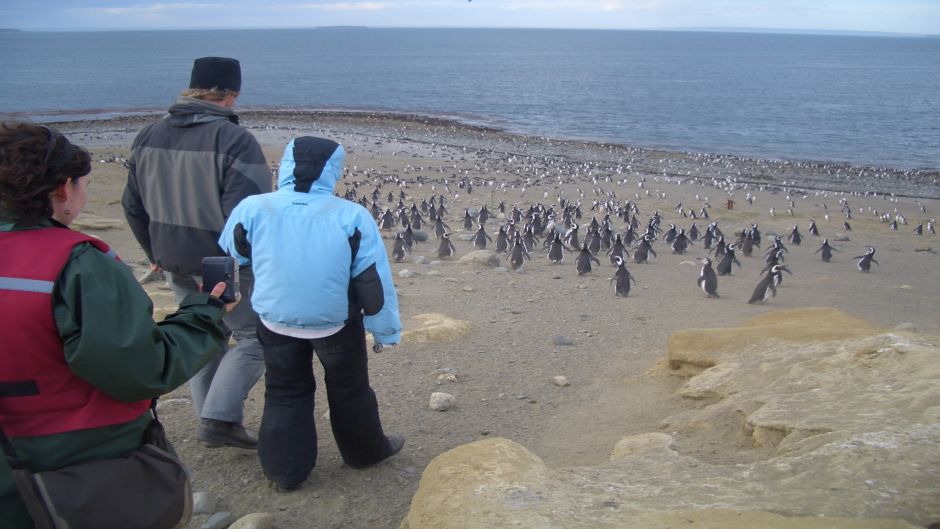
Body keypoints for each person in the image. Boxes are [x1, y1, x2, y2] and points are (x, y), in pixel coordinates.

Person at [0, 122, 237, 528]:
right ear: (63, 189)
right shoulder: (76, 265)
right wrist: (206, 313)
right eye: (84, 185)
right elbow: (139, 368)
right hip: (71, 465)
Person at [218, 136, 404, 492]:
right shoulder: (351, 216)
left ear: (285, 165)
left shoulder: (253, 208)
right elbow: (372, 280)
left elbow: (230, 256)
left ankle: (285, 471)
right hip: (335, 323)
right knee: (349, 390)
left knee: (285, 390)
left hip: (275, 319)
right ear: (333, 171)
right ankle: (365, 453)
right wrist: (385, 332)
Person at [123, 57, 272, 449]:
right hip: (222, 262)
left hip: (173, 259)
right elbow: (247, 217)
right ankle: (219, 420)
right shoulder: (234, 140)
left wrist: (152, 250)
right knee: (254, 336)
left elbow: (132, 205)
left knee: (205, 333)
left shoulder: (148, 135)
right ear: (232, 93)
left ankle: (213, 418)